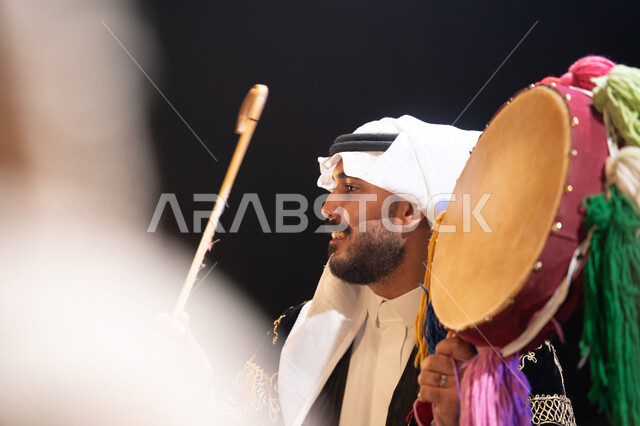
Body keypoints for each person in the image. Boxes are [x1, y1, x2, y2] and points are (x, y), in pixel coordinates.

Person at [223, 115, 576, 426]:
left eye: (350, 188)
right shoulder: (294, 332)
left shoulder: (507, 352)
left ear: (407, 212)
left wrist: (472, 418)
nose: (328, 205)